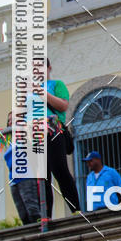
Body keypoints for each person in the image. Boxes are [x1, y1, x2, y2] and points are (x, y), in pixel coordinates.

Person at [45, 58, 81, 217]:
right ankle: (45, 215)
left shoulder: (56, 85)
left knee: (60, 170)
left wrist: (43, 93)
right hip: (34, 134)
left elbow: (63, 106)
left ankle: (75, 209)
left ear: (49, 68)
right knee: (41, 176)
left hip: (53, 130)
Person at [4, 111, 41, 224]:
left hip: (27, 176)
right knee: (23, 213)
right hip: (14, 181)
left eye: (13, 119)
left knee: (32, 209)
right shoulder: (10, 142)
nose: (11, 122)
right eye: (9, 120)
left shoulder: (26, 136)